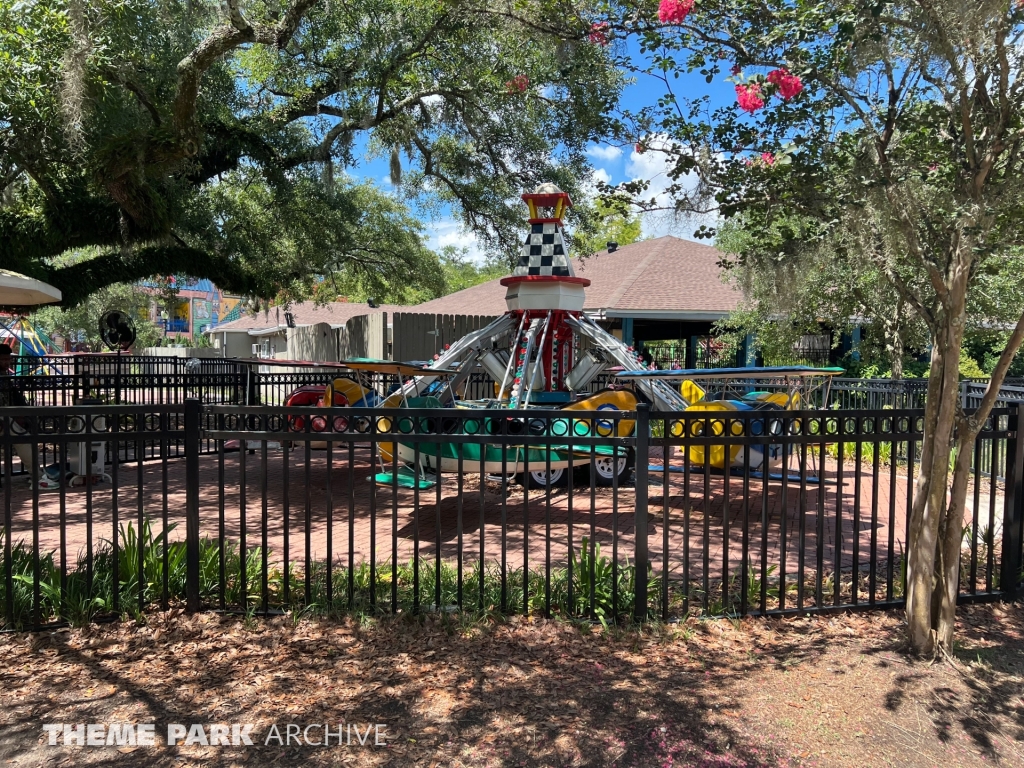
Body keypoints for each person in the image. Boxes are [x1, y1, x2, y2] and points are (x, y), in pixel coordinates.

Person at [0, 343, 37, 483]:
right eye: (3, 359)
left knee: (23, 439)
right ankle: (38, 476)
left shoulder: (4, 374)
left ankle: (37, 475)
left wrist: (20, 413)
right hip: (4, 417)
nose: (7, 362)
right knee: (23, 439)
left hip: (6, 417)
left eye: (8, 359)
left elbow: (13, 396)